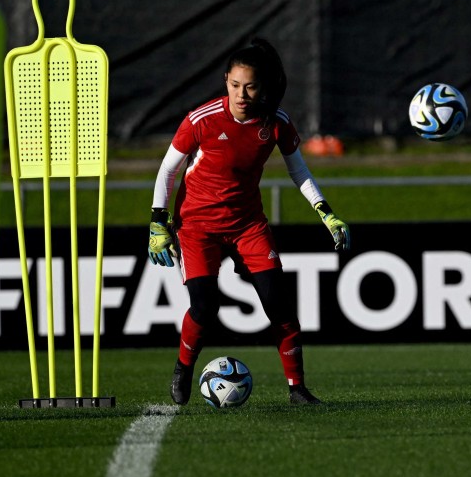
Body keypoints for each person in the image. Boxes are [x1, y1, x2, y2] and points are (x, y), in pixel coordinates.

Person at [147, 37, 350, 406]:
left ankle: (297, 390)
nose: (241, 94)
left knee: (280, 306)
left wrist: (327, 213)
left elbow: (299, 171)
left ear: (265, 87)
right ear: (226, 80)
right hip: (197, 228)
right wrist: (158, 223)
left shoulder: (276, 123)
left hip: (248, 227)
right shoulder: (201, 120)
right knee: (205, 308)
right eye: (235, 84)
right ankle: (183, 367)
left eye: (251, 86)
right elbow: (167, 170)